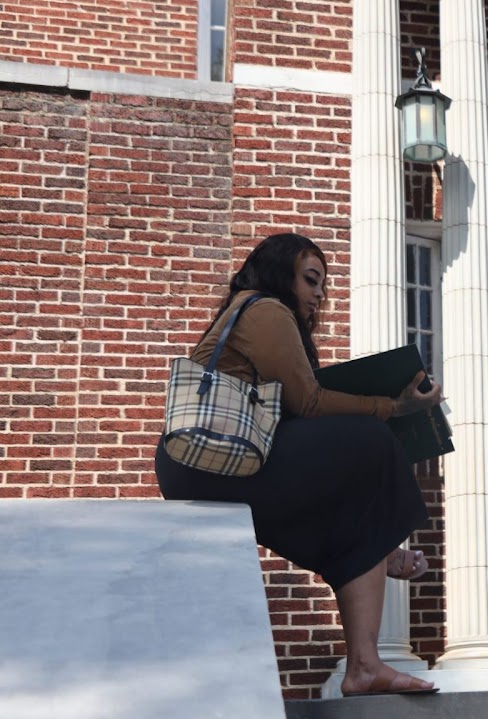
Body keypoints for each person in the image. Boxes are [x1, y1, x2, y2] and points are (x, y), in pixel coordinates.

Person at [154, 233, 443, 697]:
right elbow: (308, 403)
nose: (320, 294)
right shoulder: (265, 309)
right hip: (210, 460)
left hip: (211, 462)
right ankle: (380, 573)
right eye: (311, 280)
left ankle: (365, 664)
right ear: (280, 273)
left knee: (356, 507)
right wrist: (393, 407)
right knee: (372, 440)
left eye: (323, 284)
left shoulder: (255, 313)